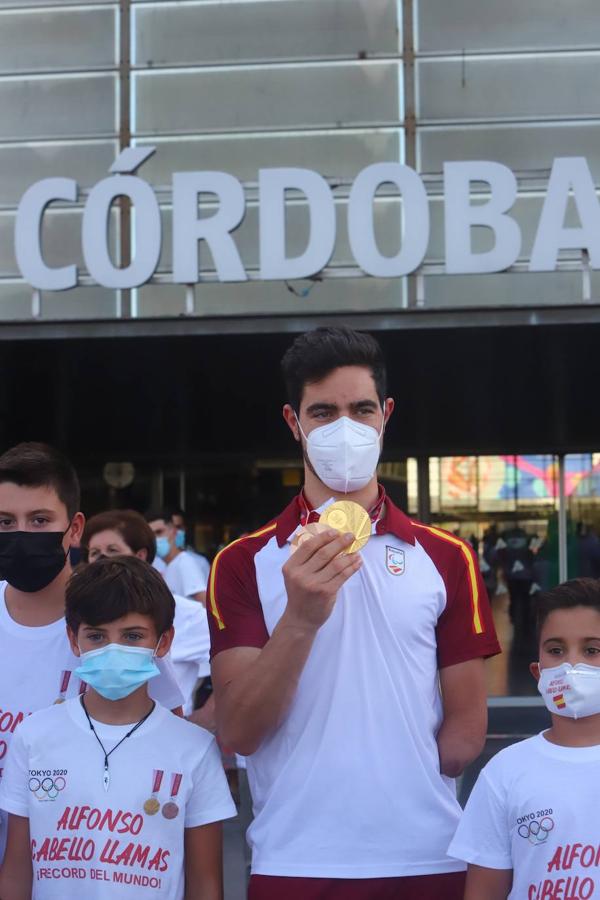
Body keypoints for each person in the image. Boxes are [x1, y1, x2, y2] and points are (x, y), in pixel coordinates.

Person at [207, 326, 501, 900]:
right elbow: (238, 730)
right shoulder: (243, 561)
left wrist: (401, 777)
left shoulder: (447, 556)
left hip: (427, 854)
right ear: (294, 422)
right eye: (323, 412)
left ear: (386, 414)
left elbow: (467, 729)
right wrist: (301, 619)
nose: (345, 429)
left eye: (361, 409)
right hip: (295, 858)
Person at [0, 556, 236, 899]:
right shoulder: (33, 737)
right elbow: (17, 872)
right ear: (73, 639)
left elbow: (205, 884)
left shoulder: (194, 749)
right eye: (96, 636)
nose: (113, 650)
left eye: (132, 636)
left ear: (164, 641)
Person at [0, 443, 184, 863]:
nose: (22, 534)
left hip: (86, 864)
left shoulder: (115, 628)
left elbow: (169, 746)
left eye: (40, 520)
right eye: (5, 521)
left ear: (75, 528)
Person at [448, 577, 600, 900]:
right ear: (538, 672)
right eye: (556, 650)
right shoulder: (504, 773)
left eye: (592, 649)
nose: (572, 665)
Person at [82, 509, 211, 716]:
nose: (102, 560)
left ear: (140, 556)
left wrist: (207, 718)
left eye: (113, 550)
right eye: (95, 553)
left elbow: (235, 662)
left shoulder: (186, 614)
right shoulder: (80, 616)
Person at [146, 508, 207, 605]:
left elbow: (206, 604)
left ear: (174, 532)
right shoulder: (169, 565)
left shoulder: (185, 563)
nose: (156, 539)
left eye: (159, 532)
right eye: (151, 535)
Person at [172, 508, 211, 583]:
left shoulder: (200, 562)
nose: (174, 532)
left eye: (178, 527)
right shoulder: (152, 562)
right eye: (170, 527)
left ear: (185, 528)